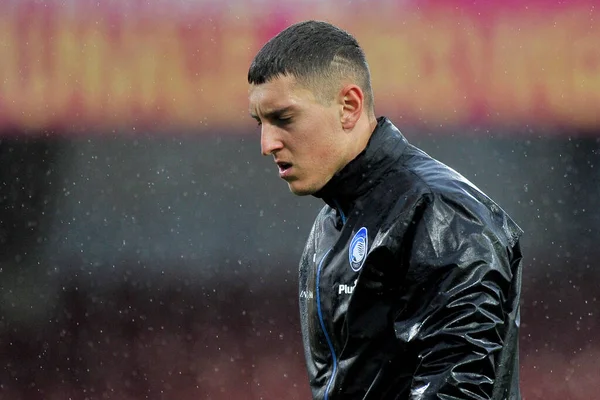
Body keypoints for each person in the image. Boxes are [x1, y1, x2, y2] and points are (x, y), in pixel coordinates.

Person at [247, 20, 524, 400]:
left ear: (349, 107)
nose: (267, 143)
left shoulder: (439, 211)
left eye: (283, 118)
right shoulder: (331, 222)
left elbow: (459, 390)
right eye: (260, 122)